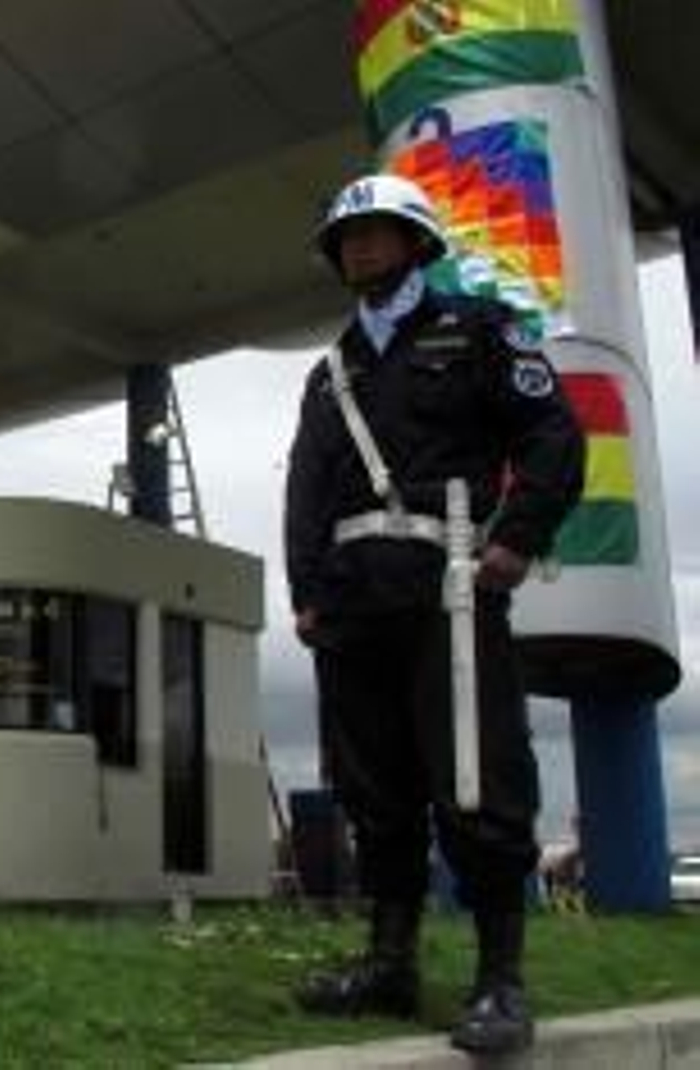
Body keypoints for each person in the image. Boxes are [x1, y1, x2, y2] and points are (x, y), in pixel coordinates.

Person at [284, 174, 584, 1055]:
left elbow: (553, 438)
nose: (361, 248)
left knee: (476, 780)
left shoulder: (482, 331)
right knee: (372, 791)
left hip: (449, 593)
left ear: (417, 242)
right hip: (349, 607)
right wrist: (305, 594)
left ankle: (500, 979)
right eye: (348, 237)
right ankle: (390, 962)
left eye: (378, 233)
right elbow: (306, 489)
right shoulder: (330, 369)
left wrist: (518, 538)